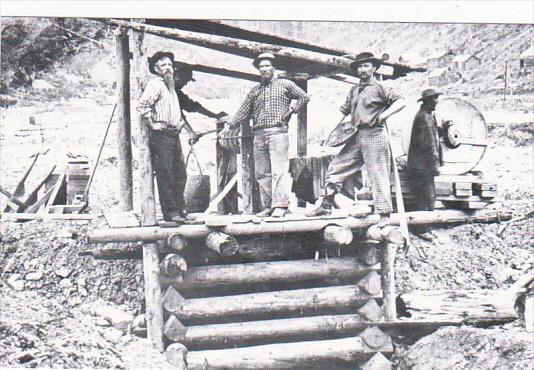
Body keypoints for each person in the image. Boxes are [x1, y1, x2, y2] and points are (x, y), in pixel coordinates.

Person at [307, 52, 406, 227]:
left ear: (374, 68)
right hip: (356, 135)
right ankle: (326, 205)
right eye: (360, 66)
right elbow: (342, 112)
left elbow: (401, 102)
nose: (362, 69)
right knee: (336, 167)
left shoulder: (380, 88)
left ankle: (384, 215)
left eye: (366, 66)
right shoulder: (354, 90)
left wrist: (383, 116)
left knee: (378, 174)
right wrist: (328, 133)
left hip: (375, 135)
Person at [223, 52, 310, 218]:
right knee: (262, 173)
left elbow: (304, 97)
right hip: (259, 135)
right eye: (261, 67)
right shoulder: (255, 91)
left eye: (267, 66)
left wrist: (292, 110)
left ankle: (281, 206)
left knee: (279, 171)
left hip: (277, 133)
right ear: (258, 70)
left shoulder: (285, 84)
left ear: (273, 67)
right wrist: (229, 125)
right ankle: (269, 206)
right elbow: (243, 111)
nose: (264, 69)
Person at [136, 51, 197, 223]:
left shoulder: (170, 87)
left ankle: (181, 210)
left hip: (174, 134)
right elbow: (142, 105)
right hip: (161, 136)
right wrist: (152, 124)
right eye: (163, 65)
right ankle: (171, 213)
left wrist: (186, 130)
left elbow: (177, 113)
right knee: (166, 174)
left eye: (170, 65)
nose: (168, 68)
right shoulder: (155, 85)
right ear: (156, 69)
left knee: (180, 174)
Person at [407, 88, 452, 240]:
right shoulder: (424, 118)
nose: (437, 101)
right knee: (425, 197)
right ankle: (421, 229)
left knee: (427, 196)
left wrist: (443, 129)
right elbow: (429, 145)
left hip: (421, 165)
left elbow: (433, 134)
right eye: (434, 99)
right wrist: (435, 165)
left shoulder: (427, 116)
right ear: (427, 101)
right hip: (422, 166)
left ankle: (425, 225)